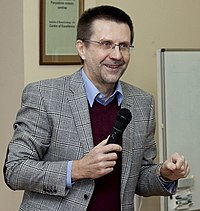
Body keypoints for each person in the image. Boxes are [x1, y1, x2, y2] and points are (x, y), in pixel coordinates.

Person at [4, 5, 189, 211]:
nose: (117, 55)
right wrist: (77, 169)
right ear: (82, 48)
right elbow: (15, 170)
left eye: (124, 46)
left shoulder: (142, 103)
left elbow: (137, 176)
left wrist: (163, 174)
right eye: (106, 44)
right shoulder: (44, 95)